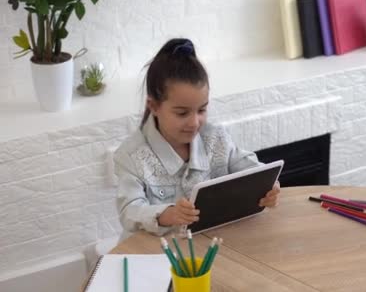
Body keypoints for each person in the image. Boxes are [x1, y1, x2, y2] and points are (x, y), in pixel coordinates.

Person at [114, 38, 280, 238]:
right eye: (182, 113)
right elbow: (129, 211)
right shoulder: (131, 155)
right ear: (154, 106)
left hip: (210, 245)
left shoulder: (216, 137)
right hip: (156, 253)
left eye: (202, 110)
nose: (194, 122)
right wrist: (167, 215)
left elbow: (249, 167)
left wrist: (268, 185)